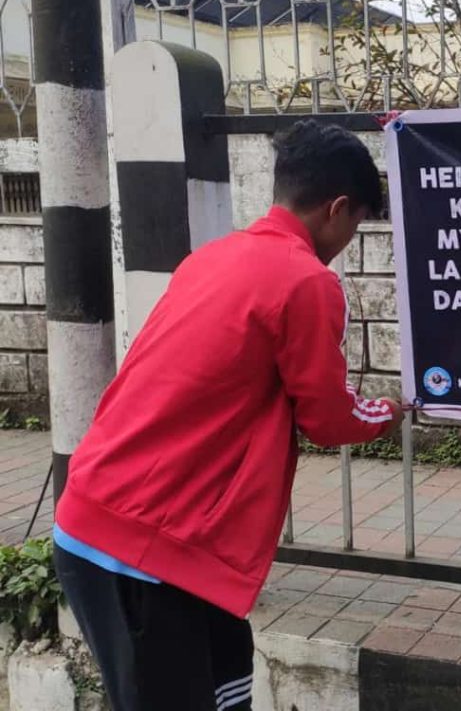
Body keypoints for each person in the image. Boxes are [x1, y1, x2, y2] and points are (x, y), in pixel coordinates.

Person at [53, 120, 403, 711]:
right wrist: (392, 410)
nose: (352, 236)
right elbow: (329, 417)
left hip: (122, 526)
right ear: (338, 209)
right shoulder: (305, 283)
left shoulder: (212, 259)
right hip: (146, 549)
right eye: (359, 222)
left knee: (225, 689)